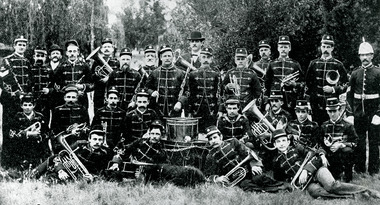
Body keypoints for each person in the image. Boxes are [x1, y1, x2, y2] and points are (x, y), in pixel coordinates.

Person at [272, 128, 380, 199]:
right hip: (306, 183)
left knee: (332, 186)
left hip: (317, 171)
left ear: (288, 141)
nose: (281, 144)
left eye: (283, 140)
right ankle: (354, 196)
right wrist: (289, 185)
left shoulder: (297, 148)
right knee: (317, 193)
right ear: (274, 144)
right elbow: (280, 180)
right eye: (278, 142)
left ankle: (369, 191)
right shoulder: (276, 161)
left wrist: (306, 170)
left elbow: (317, 154)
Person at [203, 125, 288, 192]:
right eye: (210, 139)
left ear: (220, 137)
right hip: (236, 179)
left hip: (248, 170)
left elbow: (248, 152)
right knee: (246, 185)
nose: (213, 141)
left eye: (215, 137)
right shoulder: (210, 156)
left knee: (260, 178)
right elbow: (208, 175)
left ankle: (282, 186)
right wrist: (217, 178)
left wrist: (253, 165)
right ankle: (269, 191)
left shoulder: (233, 142)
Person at [347, 40, 380, 175]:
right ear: (359, 56)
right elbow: (349, 94)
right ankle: (359, 169)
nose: (365, 58)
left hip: (374, 114)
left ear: (372, 56)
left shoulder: (378, 73)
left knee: (374, 142)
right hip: (358, 112)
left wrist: (379, 113)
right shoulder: (355, 73)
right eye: (362, 55)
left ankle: (373, 169)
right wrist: (350, 112)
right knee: (359, 141)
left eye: (367, 55)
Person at [32, 126, 112, 182]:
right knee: (52, 159)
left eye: (100, 140)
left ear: (103, 141)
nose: (97, 142)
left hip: (86, 177)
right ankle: (33, 174)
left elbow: (104, 172)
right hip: (68, 171)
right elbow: (61, 157)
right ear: (89, 139)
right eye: (94, 139)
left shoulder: (106, 152)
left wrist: (94, 177)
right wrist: (60, 170)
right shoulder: (79, 145)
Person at [305, 35, 348, 125]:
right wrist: (308, 101)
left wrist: (333, 89)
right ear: (321, 47)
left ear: (332, 48)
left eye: (328, 47)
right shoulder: (313, 63)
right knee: (317, 128)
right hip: (316, 103)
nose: (325, 49)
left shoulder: (338, 64)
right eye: (324, 47)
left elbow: (346, 84)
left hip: (332, 103)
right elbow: (307, 84)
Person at [320, 97, 357, 182]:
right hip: (329, 156)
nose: (332, 114)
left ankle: (347, 175)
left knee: (348, 151)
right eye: (330, 111)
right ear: (327, 111)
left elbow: (355, 142)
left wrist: (341, 145)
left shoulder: (348, 126)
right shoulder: (323, 126)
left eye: (334, 111)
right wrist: (322, 155)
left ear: (339, 110)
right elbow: (320, 143)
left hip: (342, 155)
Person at [265, 35, 304, 116]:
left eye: (285, 47)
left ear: (289, 48)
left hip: (291, 101)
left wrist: (294, 84)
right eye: (281, 47)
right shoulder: (272, 64)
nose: (283, 49)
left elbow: (303, 83)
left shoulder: (295, 64)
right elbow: (267, 85)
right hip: (275, 101)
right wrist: (267, 102)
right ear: (278, 48)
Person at [7, 94, 49, 169]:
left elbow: (46, 132)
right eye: (25, 105)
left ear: (34, 105)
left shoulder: (39, 116)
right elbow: (12, 133)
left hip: (36, 146)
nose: (27, 107)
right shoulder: (17, 116)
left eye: (30, 105)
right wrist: (28, 133)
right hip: (22, 146)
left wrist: (40, 136)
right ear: (21, 106)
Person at [145, 45, 187, 118]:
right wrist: (152, 92)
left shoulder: (181, 73)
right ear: (161, 58)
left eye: (169, 56)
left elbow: (187, 91)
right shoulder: (154, 73)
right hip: (157, 112)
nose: (167, 58)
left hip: (175, 111)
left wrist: (180, 102)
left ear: (172, 57)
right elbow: (146, 88)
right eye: (164, 56)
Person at [188, 47, 221, 133]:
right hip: (196, 112)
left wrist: (220, 110)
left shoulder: (216, 75)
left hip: (212, 112)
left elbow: (220, 94)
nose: (206, 60)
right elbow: (188, 93)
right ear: (199, 59)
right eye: (203, 57)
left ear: (211, 59)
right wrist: (189, 111)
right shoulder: (192, 74)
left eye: (208, 57)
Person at [51, 85, 89, 153]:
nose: (71, 100)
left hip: (78, 140)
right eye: (68, 97)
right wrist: (67, 131)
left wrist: (79, 130)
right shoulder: (58, 110)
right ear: (64, 98)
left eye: (73, 97)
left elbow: (87, 125)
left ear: (77, 98)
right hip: (63, 141)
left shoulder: (82, 109)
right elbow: (54, 128)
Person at [54, 39, 93, 108]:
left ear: (78, 52)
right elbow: (57, 85)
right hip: (65, 100)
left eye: (74, 51)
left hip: (81, 99)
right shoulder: (60, 66)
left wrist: (82, 87)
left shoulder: (85, 66)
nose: (72, 53)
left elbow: (91, 84)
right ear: (66, 53)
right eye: (70, 51)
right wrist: (67, 90)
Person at [90, 38, 119, 111]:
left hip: (112, 93)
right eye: (105, 47)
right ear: (101, 49)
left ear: (112, 49)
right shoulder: (96, 62)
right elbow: (91, 77)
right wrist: (96, 75)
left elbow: (119, 77)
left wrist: (109, 78)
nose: (107, 49)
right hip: (99, 93)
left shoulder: (116, 62)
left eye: (109, 47)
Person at [30, 46, 55, 119]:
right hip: (32, 101)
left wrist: (49, 90)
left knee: (45, 121)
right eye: (38, 56)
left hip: (45, 102)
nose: (40, 58)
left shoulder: (49, 71)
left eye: (42, 56)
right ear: (34, 57)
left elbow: (55, 86)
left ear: (45, 57)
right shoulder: (29, 69)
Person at [252, 40, 272, 110]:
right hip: (258, 95)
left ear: (270, 51)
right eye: (261, 50)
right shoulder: (255, 65)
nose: (263, 52)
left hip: (271, 94)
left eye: (266, 50)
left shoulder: (273, 64)